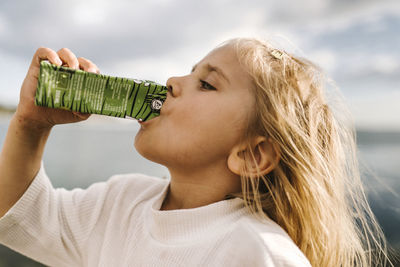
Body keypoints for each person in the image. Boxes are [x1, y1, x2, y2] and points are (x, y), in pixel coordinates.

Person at [0, 38, 391, 267]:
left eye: (206, 84)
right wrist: (30, 126)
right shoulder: (121, 201)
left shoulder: (257, 253)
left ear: (252, 155)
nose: (171, 81)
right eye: (190, 71)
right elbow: (20, 215)